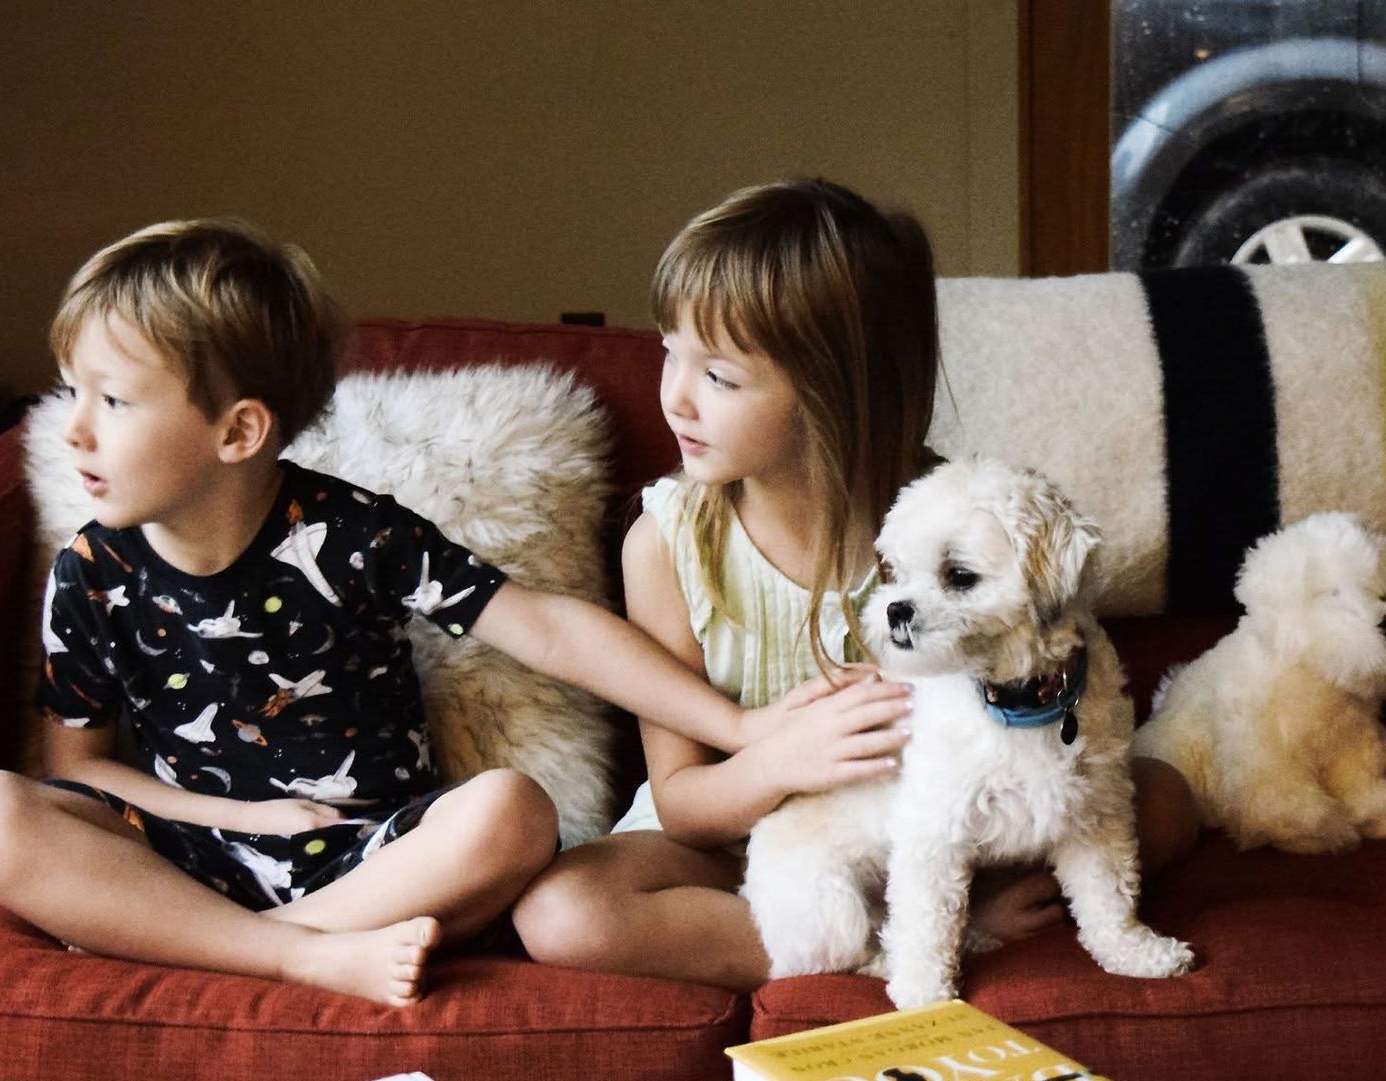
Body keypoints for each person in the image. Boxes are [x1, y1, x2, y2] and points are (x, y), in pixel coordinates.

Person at [0, 218, 800, 1007]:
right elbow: (78, 769)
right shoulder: (94, 569)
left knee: (513, 810)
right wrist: (242, 818)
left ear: (238, 432)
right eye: (72, 394)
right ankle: (294, 955)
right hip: (186, 854)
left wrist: (737, 724)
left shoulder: (351, 532)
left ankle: (241, 949)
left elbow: (547, 627)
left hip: (372, 857)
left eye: (114, 401)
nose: (74, 431)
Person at [512, 178, 1198, 991]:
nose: (675, 397)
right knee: (563, 911)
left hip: (929, 827)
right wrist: (780, 757)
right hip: (722, 844)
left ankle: (921, 923)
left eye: (720, 377)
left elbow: (1040, 701)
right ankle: (897, 945)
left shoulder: (946, 529)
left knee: (1160, 801)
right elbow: (686, 800)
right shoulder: (667, 544)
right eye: (670, 351)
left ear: (833, 390)